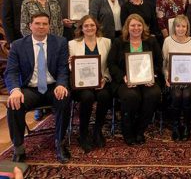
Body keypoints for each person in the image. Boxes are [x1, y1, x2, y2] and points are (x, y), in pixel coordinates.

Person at [5, 13, 70, 163]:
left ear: (49, 26)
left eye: (44, 24)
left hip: (52, 86)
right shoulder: (18, 45)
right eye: (37, 23)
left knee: (64, 98)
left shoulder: (60, 42)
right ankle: (19, 148)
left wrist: (61, 84)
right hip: (30, 89)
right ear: (30, 26)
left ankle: (60, 143)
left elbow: (63, 68)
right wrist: (15, 90)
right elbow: (11, 71)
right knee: (14, 104)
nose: (41, 27)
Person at [107, 14, 162, 145]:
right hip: (126, 80)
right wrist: (123, 77)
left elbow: (159, 62)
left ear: (143, 27)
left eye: (139, 25)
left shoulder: (151, 41)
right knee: (131, 96)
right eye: (133, 25)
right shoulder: (119, 42)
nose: (136, 28)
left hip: (147, 79)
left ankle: (140, 129)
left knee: (153, 94)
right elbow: (111, 64)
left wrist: (153, 75)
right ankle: (127, 130)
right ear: (127, 27)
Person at [68, 15, 112, 152]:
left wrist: (104, 79)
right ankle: (83, 133)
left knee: (105, 96)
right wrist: (71, 64)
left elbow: (109, 65)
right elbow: (71, 67)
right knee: (87, 97)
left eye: (92, 25)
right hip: (82, 84)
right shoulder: (73, 44)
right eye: (86, 25)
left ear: (96, 27)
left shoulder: (106, 42)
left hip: (100, 81)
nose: (89, 28)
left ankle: (97, 131)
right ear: (81, 28)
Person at [162, 15, 191, 141]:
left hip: (189, 80)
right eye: (178, 26)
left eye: (183, 26)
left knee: (187, 96)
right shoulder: (167, 41)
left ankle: (187, 126)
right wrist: (166, 77)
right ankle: (176, 125)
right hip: (172, 79)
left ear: (187, 27)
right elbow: (164, 64)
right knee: (177, 95)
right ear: (174, 27)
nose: (181, 29)